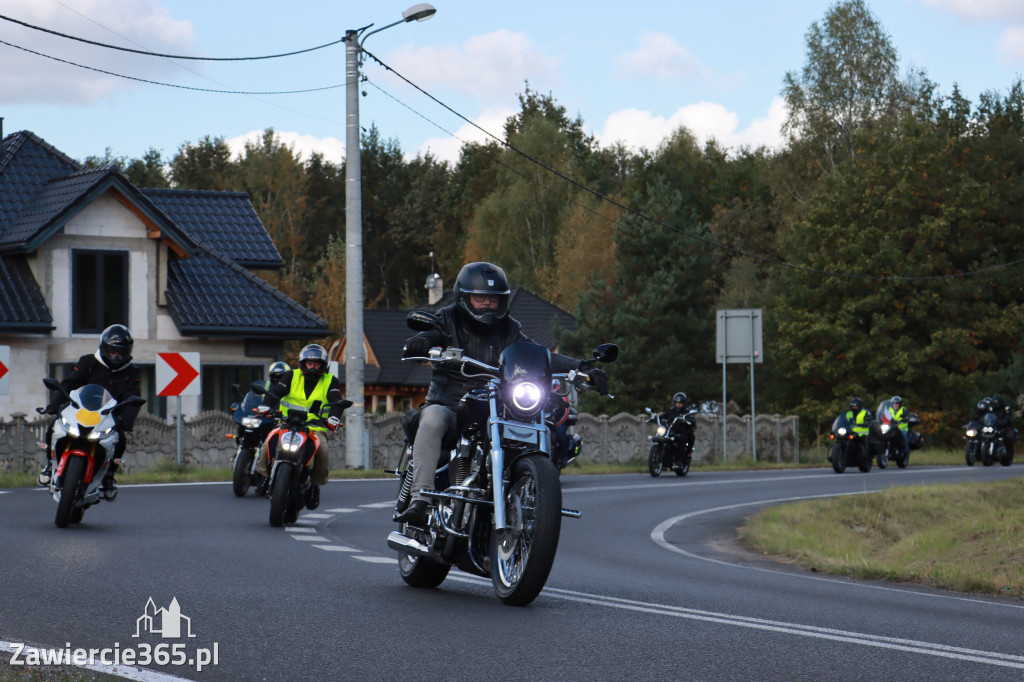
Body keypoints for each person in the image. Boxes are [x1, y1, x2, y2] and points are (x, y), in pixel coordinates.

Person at [395, 261, 609, 525]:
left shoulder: (510, 329)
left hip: (493, 406)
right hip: (450, 406)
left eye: (494, 300)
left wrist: (581, 367)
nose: (487, 304)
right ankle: (421, 498)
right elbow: (432, 333)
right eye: (480, 298)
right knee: (432, 418)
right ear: (464, 297)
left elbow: (538, 354)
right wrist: (423, 342)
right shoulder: (447, 318)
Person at [36, 324, 142, 498]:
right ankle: (49, 464)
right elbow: (70, 383)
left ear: (128, 351)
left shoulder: (132, 372)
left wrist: (126, 421)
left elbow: (133, 398)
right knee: (54, 426)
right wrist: (54, 405)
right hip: (80, 410)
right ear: (103, 347)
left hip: (108, 416)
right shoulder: (88, 361)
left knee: (120, 439)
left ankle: (109, 476)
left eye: (120, 352)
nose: (116, 355)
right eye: (112, 350)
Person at [256, 344, 344, 510]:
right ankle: (265, 476)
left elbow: (336, 401)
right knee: (267, 443)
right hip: (287, 423)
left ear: (323, 364)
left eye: (316, 363)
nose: (312, 366)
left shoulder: (330, 380)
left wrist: (333, 417)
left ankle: (314, 486)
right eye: (309, 363)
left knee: (323, 450)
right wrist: (266, 406)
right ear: (303, 363)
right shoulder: (291, 376)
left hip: (314, 427)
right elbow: (276, 392)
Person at [660, 391, 695, 462]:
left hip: (681, 432)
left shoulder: (687, 412)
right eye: (677, 402)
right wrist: (654, 418)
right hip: (670, 431)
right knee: (659, 438)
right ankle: (660, 455)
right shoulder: (670, 411)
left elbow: (692, 420)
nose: (678, 404)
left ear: (684, 403)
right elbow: (663, 416)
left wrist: (686, 420)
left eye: (680, 403)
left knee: (681, 440)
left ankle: (679, 461)